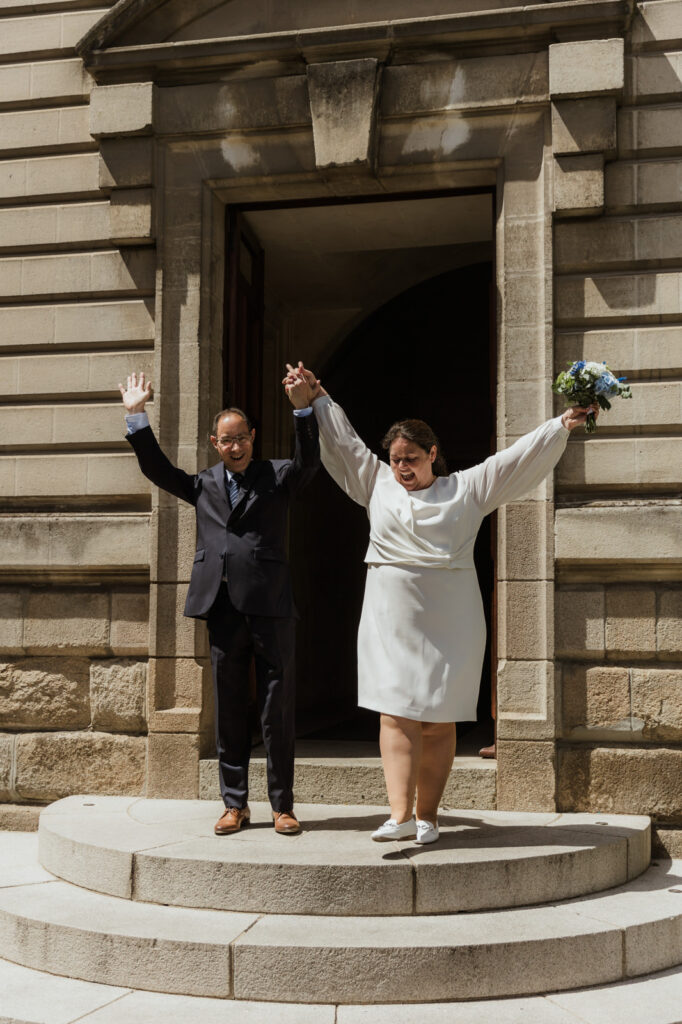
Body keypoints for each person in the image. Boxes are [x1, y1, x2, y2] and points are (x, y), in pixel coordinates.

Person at [283, 361, 595, 845]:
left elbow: (513, 460)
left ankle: (427, 816)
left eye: (411, 457)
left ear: (432, 454)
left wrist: (560, 424)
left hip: (451, 617)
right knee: (393, 710)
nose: (402, 467)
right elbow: (343, 444)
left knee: (437, 716)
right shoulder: (375, 483)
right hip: (390, 616)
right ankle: (398, 814)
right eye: (395, 458)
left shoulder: (465, 489)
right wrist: (318, 397)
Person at [120, 371, 320, 836]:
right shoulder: (204, 484)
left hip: (271, 605)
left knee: (277, 709)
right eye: (227, 441)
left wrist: (303, 409)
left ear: (252, 438)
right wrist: (136, 416)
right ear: (215, 442)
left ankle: (282, 806)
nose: (235, 447)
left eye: (242, 439)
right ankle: (234, 804)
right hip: (223, 606)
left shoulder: (278, 476)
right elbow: (158, 471)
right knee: (229, 707)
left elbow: (309, 460)